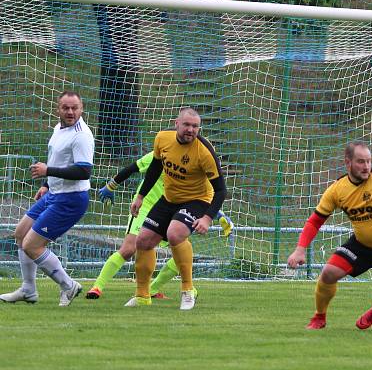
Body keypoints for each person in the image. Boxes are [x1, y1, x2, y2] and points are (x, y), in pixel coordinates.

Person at [287, 140, 372, 330]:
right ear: (348, 163)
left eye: (369, 161)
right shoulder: (337, 190)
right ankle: (319, 317)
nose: (366, 166)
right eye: (361, 162)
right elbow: (315, 221)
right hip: (363, 246)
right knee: (328, 274)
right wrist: (299, 250)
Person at [86, 150, 234, 300]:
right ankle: (97, 287)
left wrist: (220, 215)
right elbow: (132, 168)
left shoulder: (198, 169)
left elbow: (203, 198)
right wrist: (111, 186)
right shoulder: (165, 152)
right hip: (146, 206)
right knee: (129, 248)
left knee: (182, 253)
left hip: (171, 210)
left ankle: (152, 289)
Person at [126, 107, 226, 310]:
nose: (191, 129)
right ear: (176, 124)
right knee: (143, 241)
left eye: (195, 126)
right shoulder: (162, 138)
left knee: (174, 234)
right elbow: (155, 169)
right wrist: (141, 197)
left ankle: (188, 291)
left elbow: (221, 190)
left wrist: (207, 218)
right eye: (187, 125)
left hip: (197, 200)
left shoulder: (204, 151)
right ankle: (142, 295)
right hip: (169, 198)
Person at [0, 91, 94, 306]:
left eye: (74, 108)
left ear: (81, 109)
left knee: (32, 245)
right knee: (20, 234)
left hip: (71, 199)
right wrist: (45, 184)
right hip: (54, 193)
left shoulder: (81, 135)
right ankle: (28, 290)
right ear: (58, 109)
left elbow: (84, 171)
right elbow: (58, 159)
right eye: (65, 108)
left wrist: (47, 171)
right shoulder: (59, 128)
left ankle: (68, 286)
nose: (70, 112)